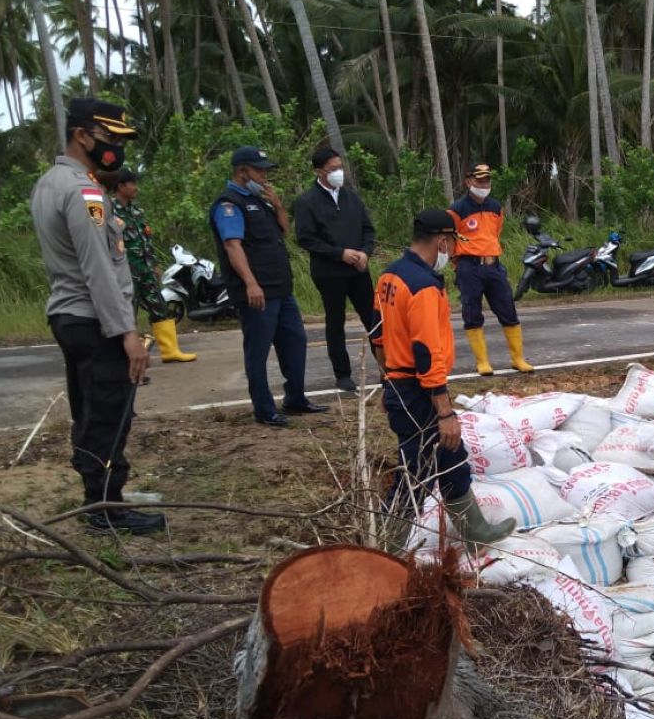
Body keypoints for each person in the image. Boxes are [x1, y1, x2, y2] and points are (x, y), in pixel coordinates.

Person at [30, 98, 164, 534]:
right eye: (110, 139)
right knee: (109, 413)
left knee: (88, 410)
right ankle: (105, 508)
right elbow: (98, 268)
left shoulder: (50, 182)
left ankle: (99, 498)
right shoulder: (83, 191)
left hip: (71, 316)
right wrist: (126, 331)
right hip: (95, 319)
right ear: (82, 136)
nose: (115, 149)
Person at [371, 209, 517, 553]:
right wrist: (445, 412)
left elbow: (377, 336)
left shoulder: (389, 276)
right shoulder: (423, 286)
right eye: (451, 244)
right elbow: (427, 354)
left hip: (399, 385)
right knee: (416, 473)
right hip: (419, 390)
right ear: (441, 240)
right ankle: (384, 548)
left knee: (452, 456)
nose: (452, 252)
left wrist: (386, 381)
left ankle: (474, 528)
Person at [209, 146, 328, 427]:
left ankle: (295, 398)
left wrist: (277, 204)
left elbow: (284, 231)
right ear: (242, 171)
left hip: (281, 288)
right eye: (259, 170)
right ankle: (264, 410)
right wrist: (251, 283)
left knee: (295, 342)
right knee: (258, 351)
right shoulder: (229, 204)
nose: (264, 176)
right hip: (257, 291)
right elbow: (232, 245)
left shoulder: (259, 200)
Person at [294, 147, 378, 394]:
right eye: (333, 169)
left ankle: (388, 368)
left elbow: (368, 230)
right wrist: (339, 253)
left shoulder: (351, 197)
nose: (338, 173)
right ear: (319, 171)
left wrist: (365, 252)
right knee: (335, 322)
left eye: (340, 168)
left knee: (373, 319)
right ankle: (342, 374)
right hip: (329, 272)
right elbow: (306, 238)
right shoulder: (306, 201)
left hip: (359, 270)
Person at [104, 168, 197, 365]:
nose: (136, 188)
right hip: (125, 273)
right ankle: (127, 359)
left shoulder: (137, 211)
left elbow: (146, 240)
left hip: (145, 270)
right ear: (121, 186)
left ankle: (170, 351)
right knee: (128, 314)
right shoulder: (109, 210)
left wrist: (153, 264)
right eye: (132, 184)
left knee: (160, 307)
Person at [447, 162, 533, 375]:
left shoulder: (495, 207)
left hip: (493, 265)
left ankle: (517, 358)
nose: (484, 184)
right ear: (469, 182)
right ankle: (482, 362)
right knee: (472, 312)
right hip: (469, 266)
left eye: (487, 180)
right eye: (479, 180)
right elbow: (449, 237)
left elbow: (496, 233)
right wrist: (456, 262)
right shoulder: (457, 209)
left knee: (508, 310)